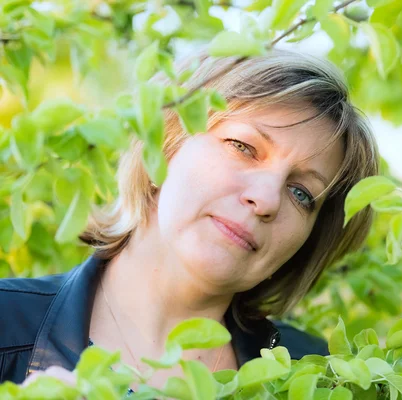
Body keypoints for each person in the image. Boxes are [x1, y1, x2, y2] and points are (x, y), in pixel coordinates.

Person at [0, 49, 379, 388]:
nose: (265, 200)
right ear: (162, 147)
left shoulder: (324, 383)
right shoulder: (7, 325)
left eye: (301, 194)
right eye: (244, 147)